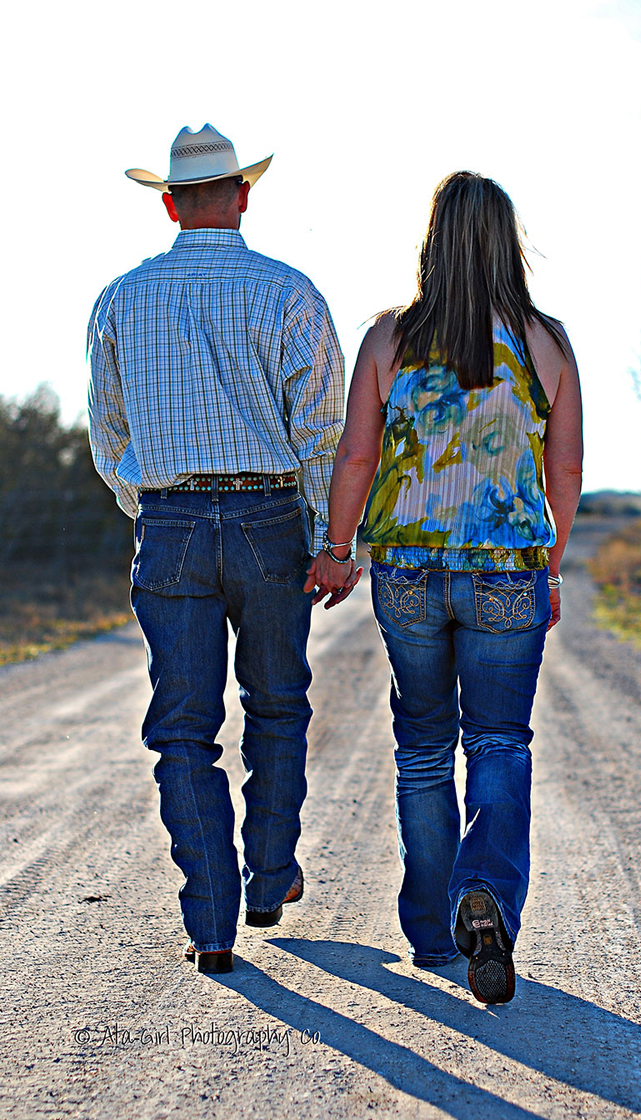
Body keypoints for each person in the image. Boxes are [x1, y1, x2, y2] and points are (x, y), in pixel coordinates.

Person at [305, 171, 583, 1004]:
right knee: (499, 741)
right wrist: (552, 561)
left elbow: (357, 456)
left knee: (424, 747)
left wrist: (337, 545)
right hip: (508, 571)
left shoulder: (391, 338)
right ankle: (486, 896)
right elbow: (562, 467)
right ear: (509, 243)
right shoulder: (547, 342)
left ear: (434, 241)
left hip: (410, 572)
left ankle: (434, 935)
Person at [88, 124, 351, 974]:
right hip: (270, 517)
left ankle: (211, 922)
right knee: (276, 703)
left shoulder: (121, 299)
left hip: (169, 524)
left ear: (168, 203)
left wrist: (155, 506)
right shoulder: (290, 292)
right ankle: (269, 876)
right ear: (242, 194)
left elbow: (108, 434)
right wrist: (328, 538)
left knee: (182, 729)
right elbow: (322, 431)